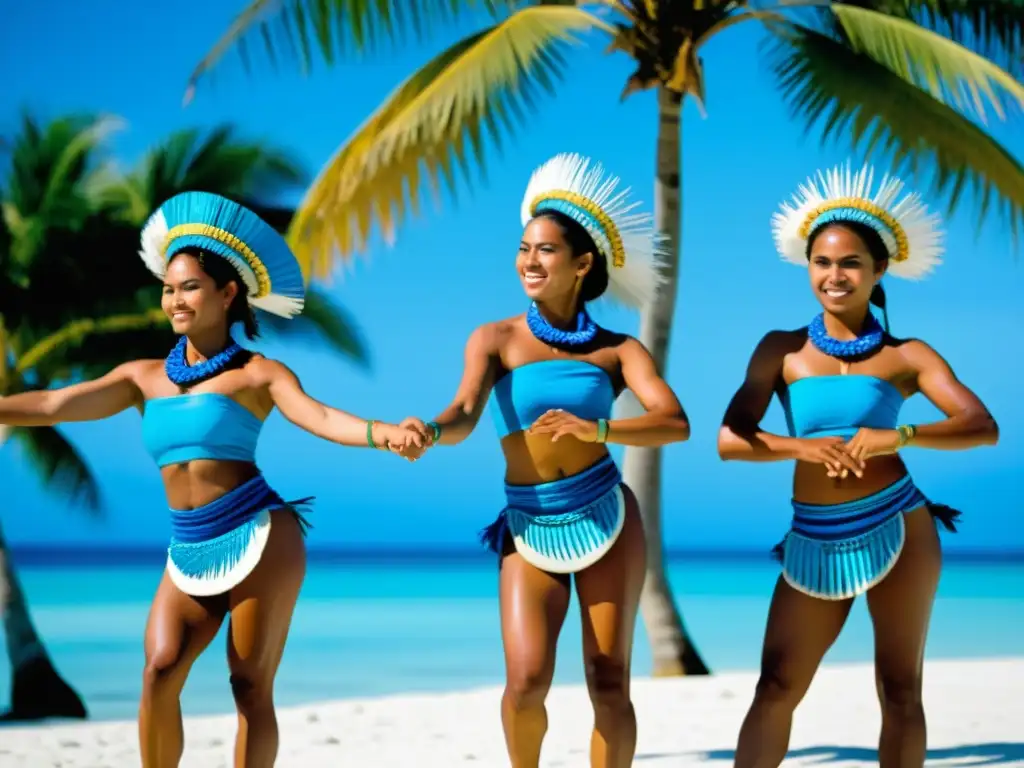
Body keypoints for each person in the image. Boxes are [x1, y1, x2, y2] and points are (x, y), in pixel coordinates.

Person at [0, 191, 423, 767]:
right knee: (159, 669)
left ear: (228, 293)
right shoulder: (140, 377)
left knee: (249, 686)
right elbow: (52, 404)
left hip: (260, 533)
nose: (175, 299)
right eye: (169, 288)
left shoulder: (258, 374)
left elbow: (320, 417)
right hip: (189, 543)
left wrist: (386, 433)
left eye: (190, 287)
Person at [396, 153, 691, 768]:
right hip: (529, 523)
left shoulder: (619, 350)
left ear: (583, 264)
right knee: (527, 682)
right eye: (524, 248)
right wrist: (428, 429)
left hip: (607, 516)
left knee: (608, 680)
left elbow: (674, 422)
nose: (530, 261)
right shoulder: (495, 339)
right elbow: (464, 414)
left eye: (547, 250)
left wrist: (599, 426)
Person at [717, 163, 999, 768]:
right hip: (814, 533)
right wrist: (803, 448)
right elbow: (731, 439)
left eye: (849, 263)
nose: (834, 275)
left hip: (900, 523)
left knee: (900, 691)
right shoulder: (781, 348)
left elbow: (981, 426)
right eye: (821, 261)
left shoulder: (908, 355)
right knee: (776, 687)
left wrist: (896, 435)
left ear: (878, 270)